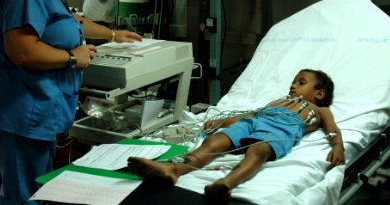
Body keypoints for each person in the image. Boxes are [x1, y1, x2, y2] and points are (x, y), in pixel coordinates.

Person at [0, 0, 143, 204]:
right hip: (21, 112)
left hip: (37, 111)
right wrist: (72, 57)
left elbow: (69, 20)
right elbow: (21, 49)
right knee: (23, 196)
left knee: (38, 191)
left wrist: (111, 34)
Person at [128, 69, 345, 204]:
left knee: (259, 149)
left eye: (301, 82)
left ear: (319, 93)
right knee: (214, 141)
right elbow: (251, 115)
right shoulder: (278, 101)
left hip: (280, 130)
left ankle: (225, 184)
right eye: (294, 81)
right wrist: (222, 122)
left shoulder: (320, 111)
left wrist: (337, 147)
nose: (293, 85)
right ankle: (173, 169)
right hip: (254, 121)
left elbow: (333, 129)